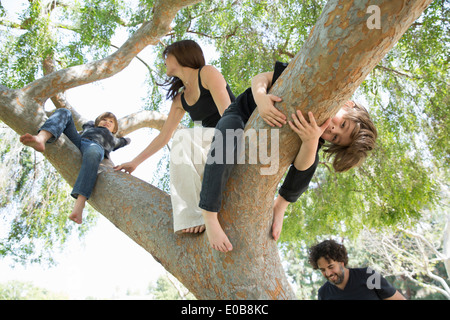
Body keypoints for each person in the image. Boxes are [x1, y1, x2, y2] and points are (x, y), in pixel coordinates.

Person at [199, 61, 378, 252]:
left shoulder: (316, 134)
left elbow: (301, 166)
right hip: (242, 114)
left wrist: (310, 141)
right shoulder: (309, 83)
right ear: (347, 104)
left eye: (335, 138)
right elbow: (261, 79)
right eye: (343, 125)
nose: (333, 130)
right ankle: (209, 215)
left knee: (311, 160)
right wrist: (261, 99)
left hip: (267, 145)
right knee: (228, 132)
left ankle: (280, 206)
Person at [114, 40, 235, 234]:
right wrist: (135, 162)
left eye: (167, 57)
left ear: (182, 56)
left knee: (184, 138)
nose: (164, 61)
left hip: (231, 134)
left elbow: (228, 115)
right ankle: (191, 214)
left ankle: (196, 215)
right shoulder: (180, 99)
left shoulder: (207, 73)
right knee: (180, 139)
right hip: (211, 146)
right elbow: (163, 137)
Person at [20, 108, 130, 224]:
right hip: (78, 141)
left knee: (93, 153)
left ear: (114, 129)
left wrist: (127, 140)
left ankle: (80, 204)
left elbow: (125, 141)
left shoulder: (114, 139)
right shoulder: (90, 126)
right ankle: (41, 138)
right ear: (97, 122)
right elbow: (86, 123)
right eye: (104, 119)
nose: (107, 122)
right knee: (64, 112)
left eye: (111, 122)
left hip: (95, 146)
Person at [308, 239, 406, 300]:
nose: (328, 273)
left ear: (341, 262)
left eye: (331, 267)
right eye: (323, 270)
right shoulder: (323, 293)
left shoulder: (369, 275)